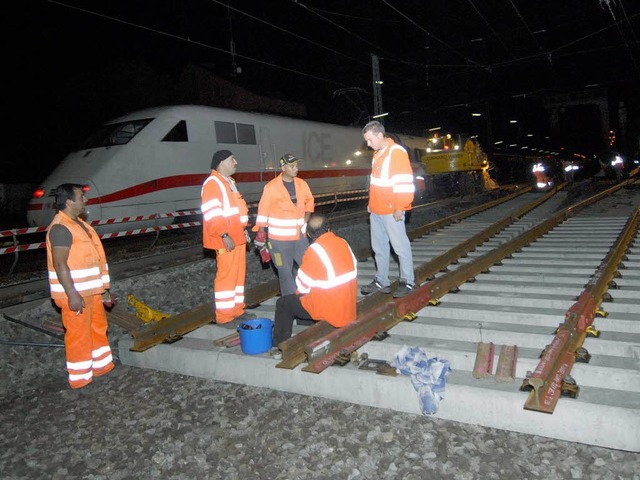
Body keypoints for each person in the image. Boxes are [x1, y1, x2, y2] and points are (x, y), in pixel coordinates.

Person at [46, 183, 115, 389]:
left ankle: (102, 367)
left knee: (97, 329)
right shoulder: (61, 227)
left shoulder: (80, 225)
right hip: (76, 295)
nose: (85, 200)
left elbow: (94, 261)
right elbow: (60, 263)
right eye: (81, 197)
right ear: (69, 201)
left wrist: (104, 291)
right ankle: (80, 378)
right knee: (79, 336)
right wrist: (71, 294)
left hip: (92, 292)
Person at [270, 214, 358, 357]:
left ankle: (280, 346)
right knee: (305, 298)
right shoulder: (343, 242)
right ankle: (307, 331)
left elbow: (303, 285)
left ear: (309, 234)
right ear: (329, 229)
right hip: (347, 307)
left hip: (330, 311)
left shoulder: (314, 251)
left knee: (284, 303)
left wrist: (302, 293)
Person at [361, 121, 416, 298]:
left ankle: (408, 281)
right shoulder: (378, 154)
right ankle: (381, 280)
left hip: (393, 210)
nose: (368, 144)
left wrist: (401, 206)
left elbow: (404, 183)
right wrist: (371, 204)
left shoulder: (396, 152)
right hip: (376, 209)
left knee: (400, 247)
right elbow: (376, 183)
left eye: (369, 140)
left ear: (379, 135)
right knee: (379, 248)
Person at [201, 149, 254, 329]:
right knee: (227, 277)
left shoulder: (228, 182)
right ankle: (224, 317)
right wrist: (224, 234)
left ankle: (237, 310)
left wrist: (243, 230)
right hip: (226, 238)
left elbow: (236, 210)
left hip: (236, 236)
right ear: (221, 162)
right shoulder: (213, 183)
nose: (236, 162)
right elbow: (212, 214)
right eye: (232, 159)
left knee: (238, 276)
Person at [253, 153, 314, 296]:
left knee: (307, 266)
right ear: (283, 167)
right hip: (279, 241)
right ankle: (290, 301)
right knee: (284, 271)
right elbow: (263, 212)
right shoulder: (271, 187)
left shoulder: (302, 184)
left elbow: (309, 200)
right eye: (292, 166)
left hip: (300, 237)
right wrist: (261, 234)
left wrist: (307, 216)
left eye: (297, 165)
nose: (296, 168)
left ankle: (309, 297)